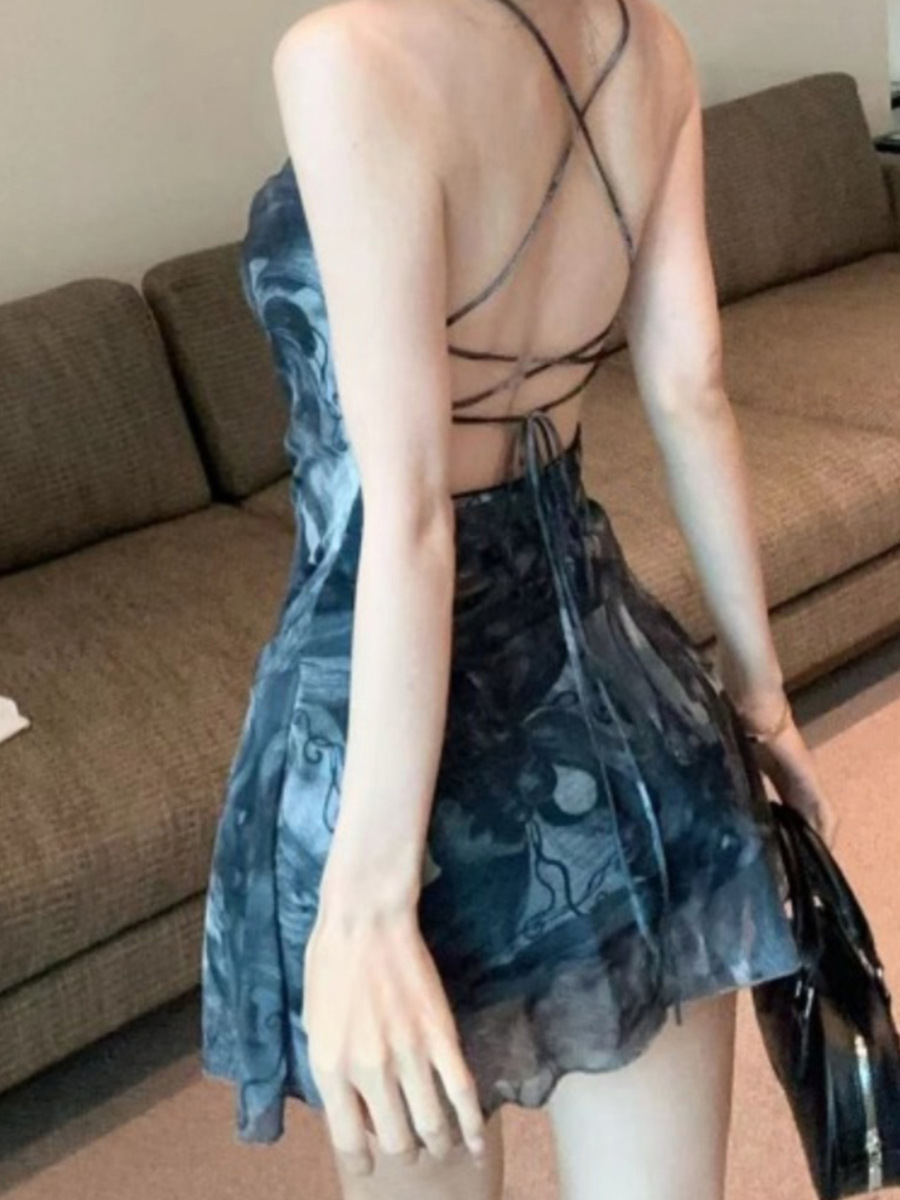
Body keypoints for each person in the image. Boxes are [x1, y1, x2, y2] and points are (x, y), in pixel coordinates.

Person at [200, 0, 840, 1196]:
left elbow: (412, 514)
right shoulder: (648, 46)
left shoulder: (347, 58)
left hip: (390, 755)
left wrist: (370, 896)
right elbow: (692, 389)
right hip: (624, 716)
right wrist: (762, 702)